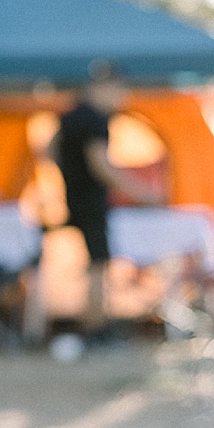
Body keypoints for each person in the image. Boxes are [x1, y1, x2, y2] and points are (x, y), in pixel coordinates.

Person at [52, 61, 161, 337]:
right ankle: (95, 328)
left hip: (72, 197)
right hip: (91, 201)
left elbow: (50, 150)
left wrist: (68, 173)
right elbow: (101, 164)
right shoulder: (96, 120)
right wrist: (141, 194)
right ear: (103, 87)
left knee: (92, 262)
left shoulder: (70, 116)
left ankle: (90, 324)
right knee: (99, 263)